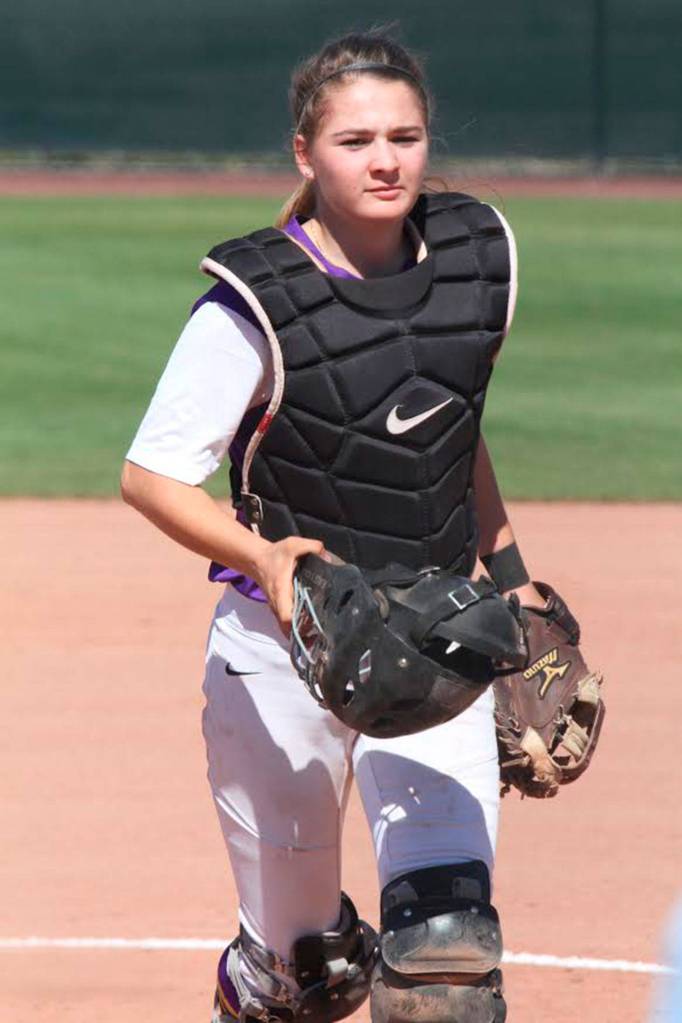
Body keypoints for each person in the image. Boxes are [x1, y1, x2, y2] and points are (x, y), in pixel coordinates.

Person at [122, 30, 545, 1023]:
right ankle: (270, 972)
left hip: (440, 644)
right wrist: (261, 554)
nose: (386, 159)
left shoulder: (477, 262)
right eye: (356, 140)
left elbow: (452, 436)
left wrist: (515, 581)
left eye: (404, 135)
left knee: (448, 959)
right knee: (301, 978)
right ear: (305, 153)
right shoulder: (252, 303)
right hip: (284, 659)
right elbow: (152, 477)